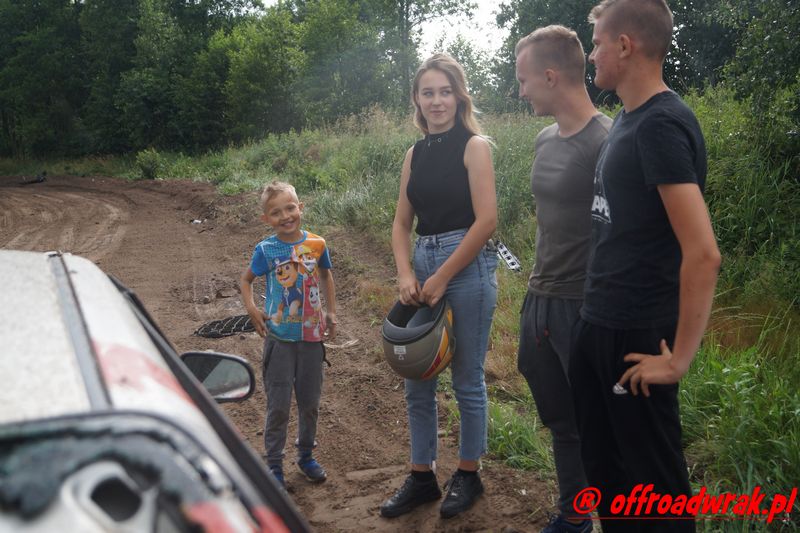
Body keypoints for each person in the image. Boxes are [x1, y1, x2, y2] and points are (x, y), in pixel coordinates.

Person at [569, 1, 721, 531]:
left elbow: (703, 252)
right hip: (600, 323)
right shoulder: (629, 120)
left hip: (636, 336)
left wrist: (678, 361)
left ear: (625, 45)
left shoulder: (661, 124)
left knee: (655, 495)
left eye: (596, 44)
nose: (592, 56)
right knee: (610, 483)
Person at [380, 53, 499, 520]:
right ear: (416, 98)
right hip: (423, 262)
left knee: (467, 379)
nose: (437, 101)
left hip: (465, 266)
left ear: (459, 96)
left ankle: (468, 473)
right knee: (417, 375)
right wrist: (405, 273)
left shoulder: (475, 147)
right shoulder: (414, 154)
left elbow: (486, 221)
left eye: (445, 91)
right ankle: (422, 476)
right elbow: (400, 223)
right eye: (428, 92)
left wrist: (443, 274)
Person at [514, 25, 612, 533]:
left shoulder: (606, 141)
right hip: (541, 297)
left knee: (601, 424)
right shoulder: (544, 138)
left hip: (584, 305)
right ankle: (575, 517)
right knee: (560, 419)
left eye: (524, 80)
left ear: (551, 77)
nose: (521, 92)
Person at [241, 181, 337, 488]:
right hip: (280, 340)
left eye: (290, 208)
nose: (285, 216)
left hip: (312, 340)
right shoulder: (265, 250)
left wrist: (331, 312)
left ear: (300, 207)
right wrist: (252, 309)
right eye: (276, 212)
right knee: (279, 406)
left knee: (310, 403)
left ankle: (306, 456)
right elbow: (246, 281)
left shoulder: (318, 244)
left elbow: (326, 276)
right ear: (266, 219)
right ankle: (274, 465)